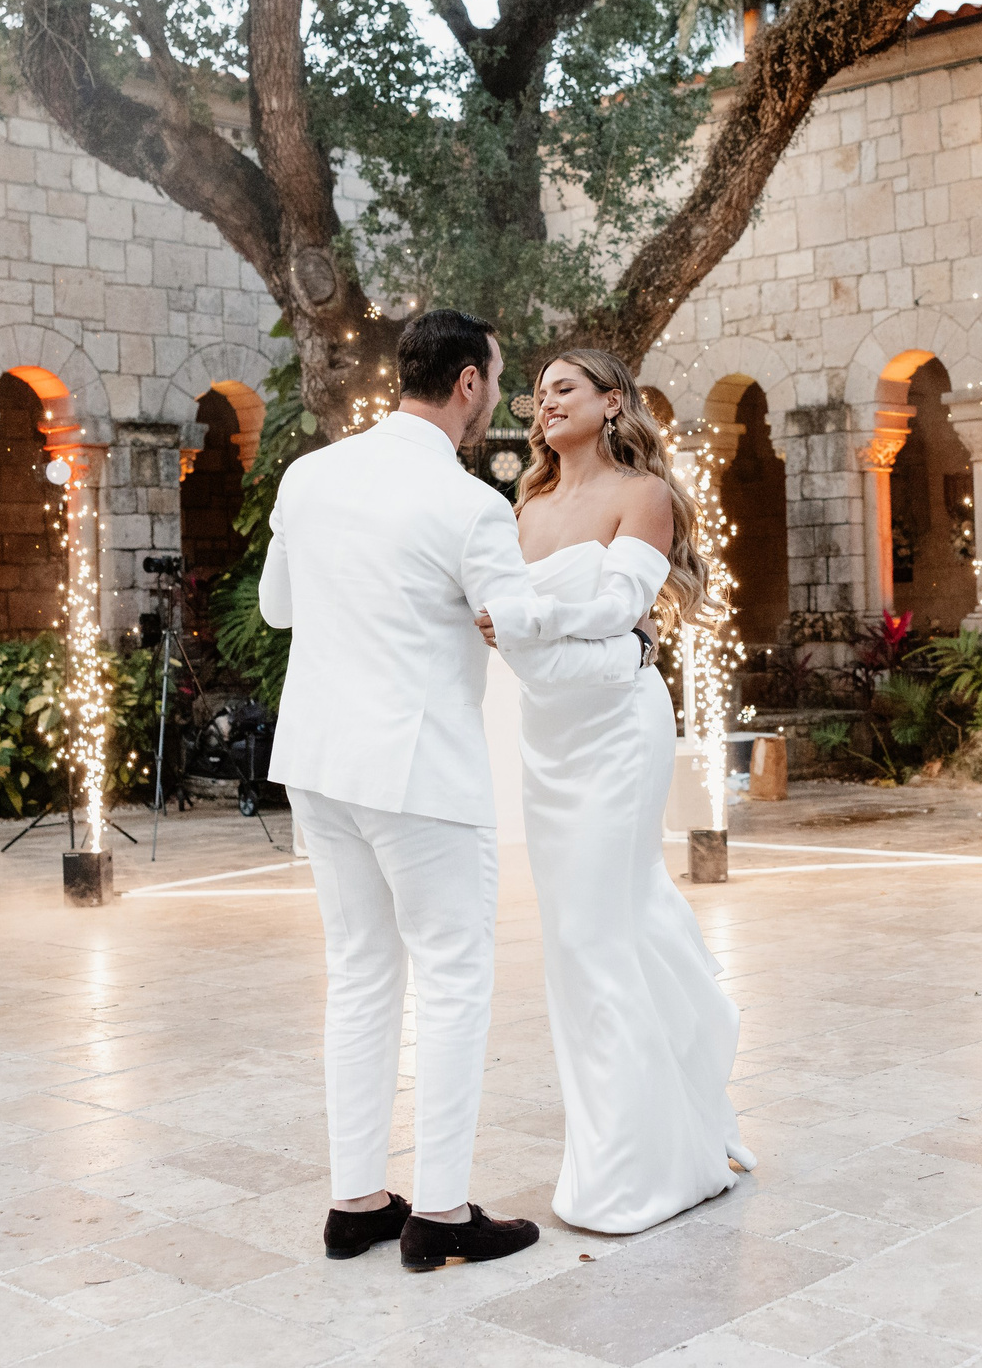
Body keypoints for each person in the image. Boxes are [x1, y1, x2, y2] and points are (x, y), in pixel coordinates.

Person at [258, 308, 646, 1273]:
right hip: (418, 770)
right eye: (499, 381)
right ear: (469, 381)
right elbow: (523, 642)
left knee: (360, 971)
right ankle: (438, 1213)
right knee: (453, 978)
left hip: (317, 763)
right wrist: (630, 650)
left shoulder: (308, 476)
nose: (500, 400)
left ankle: (356, 1202)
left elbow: (276, 606)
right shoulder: (468, 504)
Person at [478, 347, 752, 1234]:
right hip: (548, 735)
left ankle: (636, 1172)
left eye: (565, 388)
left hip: (618, 730)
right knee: (577, 937)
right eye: (538, 393)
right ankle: (653, 1135)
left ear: (611, 401)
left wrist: (524, 617)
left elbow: (616, 607)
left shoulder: (645, 495)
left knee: (599, 928)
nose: (545, 403)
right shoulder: (525, 505)